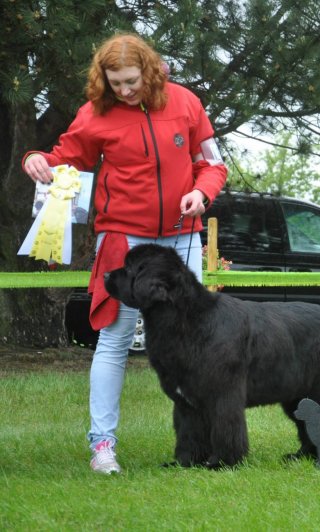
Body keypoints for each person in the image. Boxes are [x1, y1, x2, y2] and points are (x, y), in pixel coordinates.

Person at [21, 33, 227, 474]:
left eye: (132, 80)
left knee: (196, 339)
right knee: (114, 340)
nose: (125, 90)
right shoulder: (94, 115)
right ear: (104, 78)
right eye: (116, 82)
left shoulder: (187, 103)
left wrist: (201, 193)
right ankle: (102, 446)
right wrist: (35, 159)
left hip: (182, 236)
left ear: (150, 71)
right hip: (123, 241)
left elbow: (213, 163)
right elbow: (62, 160)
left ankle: (205, 442)